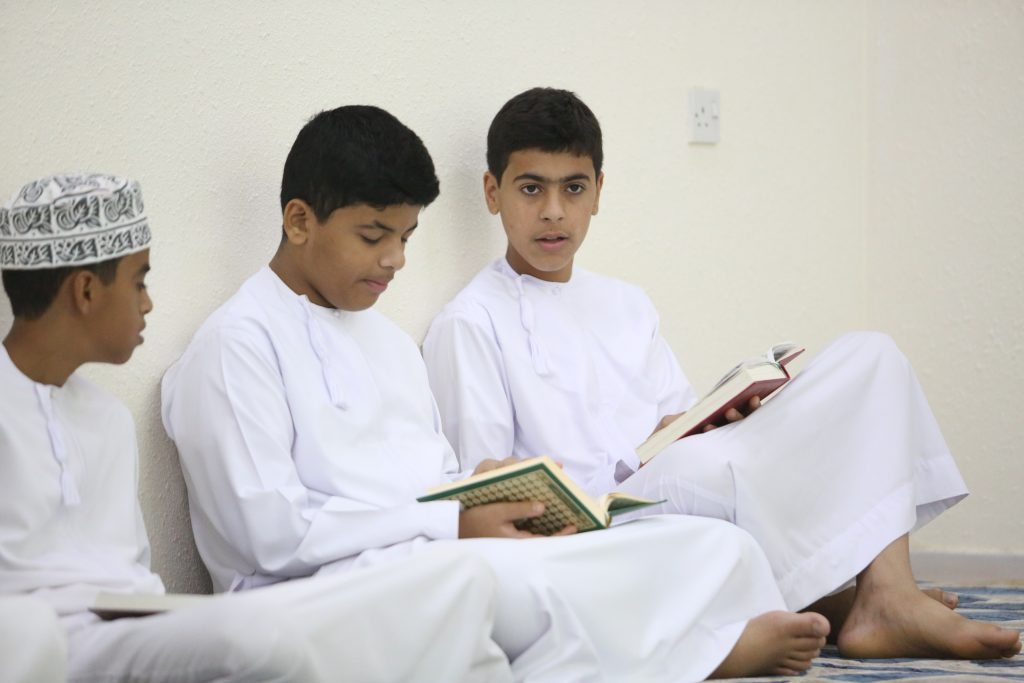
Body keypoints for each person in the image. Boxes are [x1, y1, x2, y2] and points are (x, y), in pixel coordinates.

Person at [161, 105, 833, 682]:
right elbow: (270, 538)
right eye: (373, 236)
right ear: (299, 221)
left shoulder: (385, 340)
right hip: (313, 593)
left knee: (704, 541)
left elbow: (428, 480)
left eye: (406, 237)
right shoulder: (234, 346)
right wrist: (451, 521)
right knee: (512, 582)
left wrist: (481, 487)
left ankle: (688, 647)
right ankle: (697, 655)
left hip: (428, 553)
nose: (395, 259)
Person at [421, 87, 1023, 661]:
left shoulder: (627, 304)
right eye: (531, 188)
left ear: (599, 191)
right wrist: (652, 459)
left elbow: (675, 424)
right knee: (705, 466)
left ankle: (885, 591)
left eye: (573, 188)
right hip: (601, 527)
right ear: (493, 192)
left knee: (873, 356)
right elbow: (487, 491)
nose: (554, 211)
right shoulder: (470, 323)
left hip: (679, 482)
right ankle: (835, 600)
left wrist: (720, 416)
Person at [0, 173, 515, 683]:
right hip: (35, 637)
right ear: (86, 291)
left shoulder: (108, 417)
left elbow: (130, 573)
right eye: (138, 282)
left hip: (123, 629)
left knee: (464, 581)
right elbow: (273, 539)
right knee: (259, 634)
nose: (148, 302)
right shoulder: (234, 344)